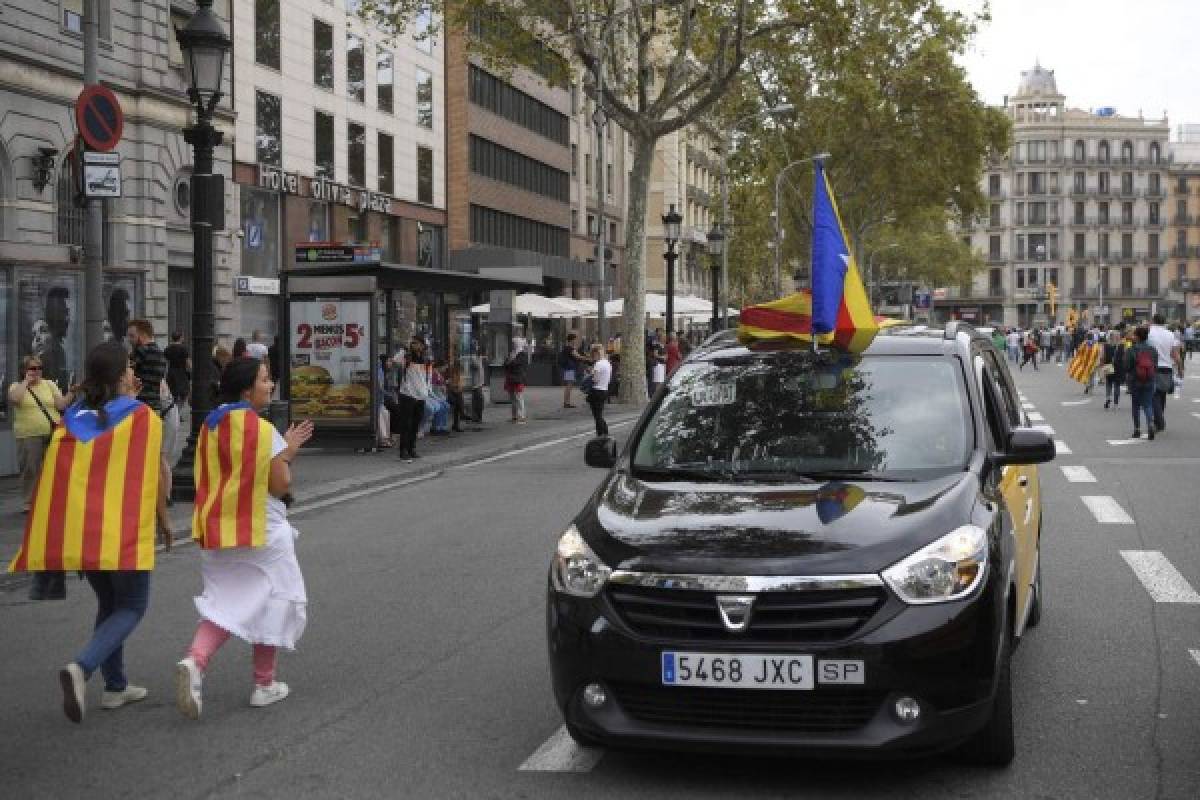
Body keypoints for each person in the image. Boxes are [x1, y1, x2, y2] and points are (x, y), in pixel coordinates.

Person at [9, 342, 170, 723]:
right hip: (124, 531)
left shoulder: (74, 419)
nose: (133, 372)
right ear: (119, 376)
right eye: (129, 367)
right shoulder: (143, 418)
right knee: (132, 606)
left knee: (109, 605)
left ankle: (116, 687)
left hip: (84, 532)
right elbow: (154, 479)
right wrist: (163, 520)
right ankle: (82, 667)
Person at [176, 358, 314, 719]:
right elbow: (279, 484)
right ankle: (264, 684)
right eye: (265, 380)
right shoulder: (261, 428)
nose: (270, 386)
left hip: (218, 528)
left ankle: (196, 661)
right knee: (276, 599)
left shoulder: (210, 424)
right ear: (245, 389)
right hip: (261, 528)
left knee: (224, 604)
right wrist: (288, 451)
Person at [9, 355, 73, 599]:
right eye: (32, 368)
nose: (36, 371)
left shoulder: (49, 384)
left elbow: (61, 405)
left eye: (39, 368)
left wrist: (71, 394)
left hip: (51, 431)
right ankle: (29, 502)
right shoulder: (16, 387)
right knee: (31, 469)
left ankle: (48, 501)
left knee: (52, 470)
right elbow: (14, 400)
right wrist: (26, 382)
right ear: (24, 370)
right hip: (28, 435)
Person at [394, 339, 429, 462]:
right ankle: (403, 451)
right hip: (407, 395)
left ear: (422, 345)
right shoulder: (406, 357)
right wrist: (405, 349)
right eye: (413, 343)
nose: (415, 345)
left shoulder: (425, 359)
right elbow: (395, 360)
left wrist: (426, 392)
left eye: (418, 343)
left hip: (421, 396)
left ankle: (411, 448)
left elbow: (426, 377)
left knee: (415, 424)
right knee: (406, 424)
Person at [1147, 313, 1182, 433]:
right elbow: (1175, 354)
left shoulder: (1149, 333)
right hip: (1167, 368)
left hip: (1154, 367)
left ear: (1153, 320)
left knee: (1154, 395)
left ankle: (1159, 421)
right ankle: (1159, 420)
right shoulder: (1170, 334)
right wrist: (1180, 369)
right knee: (1162, 394)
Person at [1125, 326, 1158, 440]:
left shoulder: (1131, 349)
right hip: (1149, 379)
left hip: (1135, 380)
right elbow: (1155, 365)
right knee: (1148, 404)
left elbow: (1127, 366)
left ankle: (1137, 430)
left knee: (1136, 405)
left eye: (1134, 335)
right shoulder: (1152, 349)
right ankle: (1150, 424)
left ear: (1137, 337)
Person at [586, 343, 611, 436]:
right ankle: (605, 432)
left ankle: (601, 434)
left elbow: (595, 380)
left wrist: (590, 376)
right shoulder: (607, 363)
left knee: (597, 416)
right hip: (604, 390)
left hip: (596, 391)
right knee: (599, 414)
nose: (593, 357)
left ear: (596, 353)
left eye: (593, 355)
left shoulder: (598, 364)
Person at [164, 331, 191, 410]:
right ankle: (178, 411)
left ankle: (175, 410)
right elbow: (188, 362)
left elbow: (165, 362)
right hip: (181, 373)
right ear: (181, 338)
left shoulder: (167, 349)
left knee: (173, 393)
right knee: (184, 393)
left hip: (171, 373)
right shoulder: (183, 349)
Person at [504, 337, 529, 424]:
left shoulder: (522, 354)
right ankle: (514, 417)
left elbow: (515, 364)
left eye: (514, 343)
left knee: (519, 397)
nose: (513, 345)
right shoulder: (512, 353)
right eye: (513, 343)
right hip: (510, 378)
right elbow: (505, 364)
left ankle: (522, 417)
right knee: (513, 399)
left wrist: (510, 361)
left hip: (518, 379)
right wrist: (510, 361)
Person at [1102, 331, 1127, 410]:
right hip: (1118, 367)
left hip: (1108, 366)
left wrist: (1102, 364)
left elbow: (1102, 356)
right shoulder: (1122, 346)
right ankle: (1116, 405)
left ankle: (1108, 398)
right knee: (1117, 385)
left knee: (1108, 384)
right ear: (1118, 337)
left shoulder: (1105, 345)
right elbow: (1124, 357)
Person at [560, 333, 583, 409]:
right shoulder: (569, 348)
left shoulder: (568, 348)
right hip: (570, 368)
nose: (576, 341)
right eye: (575, 339)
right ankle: (567, 402)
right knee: (569, 386)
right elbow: (577, 356)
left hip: (569, 368)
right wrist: (587, 358)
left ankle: (567, 402)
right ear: (572, 340)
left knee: (569, 385)